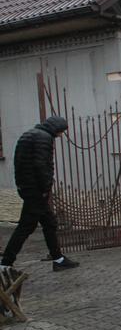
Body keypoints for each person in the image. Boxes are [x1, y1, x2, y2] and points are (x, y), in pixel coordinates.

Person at [1, 116, 79, 271]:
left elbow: (18, 163)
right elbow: (42, 165)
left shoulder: (29, 135)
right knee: (25, 227)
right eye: (61, 131)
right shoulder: (44, 138)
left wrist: (22, 186)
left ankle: (58, 258)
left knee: (50, 223)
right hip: (36, 191)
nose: (61, 135)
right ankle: (6, 263)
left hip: (27, 187)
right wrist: (45, 187)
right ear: (56, 128)